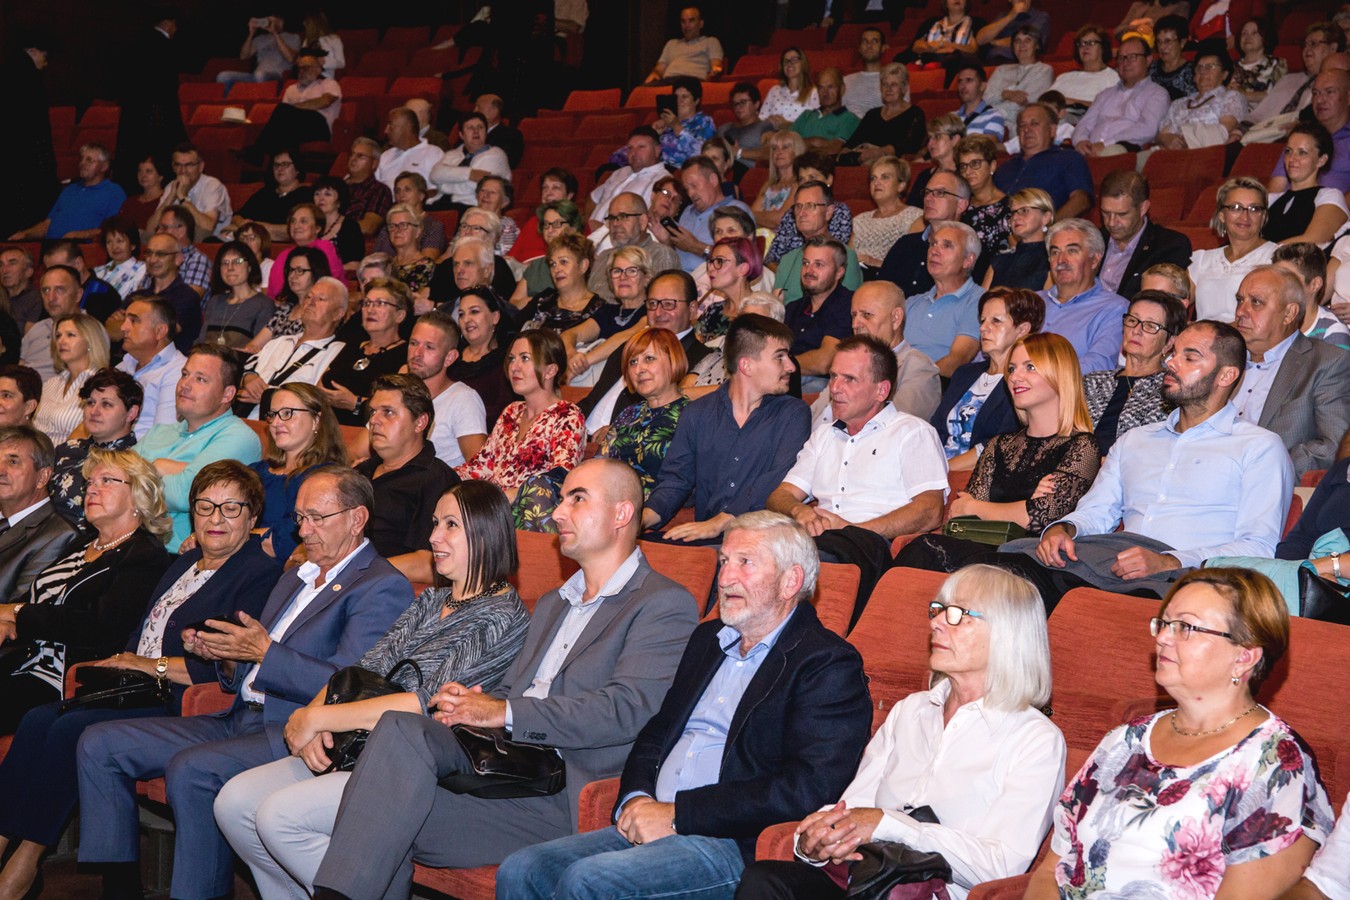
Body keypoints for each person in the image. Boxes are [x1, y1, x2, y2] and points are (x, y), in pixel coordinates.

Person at [75, 467, 412, 900]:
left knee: (192, 768)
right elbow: (249, 666)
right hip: (234, 714)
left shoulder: (380, 586)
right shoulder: (296, 576)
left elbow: (350, 683)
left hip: (292, 727)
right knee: (99, 742)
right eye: (298, 518)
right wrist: (225, 656)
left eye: (317, 518)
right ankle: (119, 891)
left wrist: (263, 653)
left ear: (357, 518)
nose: (304, 530)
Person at [500, 509, 872, 899]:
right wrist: (637, 799)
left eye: (745, 563)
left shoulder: (826, 663)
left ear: (790, 581)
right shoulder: (708, 640)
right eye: (724, 561)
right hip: (654, 822)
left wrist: (678, 816)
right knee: (525, 868)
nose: (725, 578)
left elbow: (804, 788)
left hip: (730, 842)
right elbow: (657, 731)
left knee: (589, 881)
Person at [216, 478, 531, 899]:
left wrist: (316, 717)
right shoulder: (431, 601)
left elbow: (425, 705)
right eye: (435, 523)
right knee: (234, 804)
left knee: (278, 817)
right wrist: (311, 719)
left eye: (451, 526)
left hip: (409, 766)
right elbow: (363, 670)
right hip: (357, 742)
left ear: (487, 532)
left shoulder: (500, 614)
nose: (434, 536)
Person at [0, 460, 279, 899]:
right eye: (205, 507)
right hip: (131, 684)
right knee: (39, 718)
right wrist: (125, 660)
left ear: (253, 517)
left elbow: (228, 665)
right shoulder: (183, 563)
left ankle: (27, 861)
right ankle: (3, 841)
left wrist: (152, 666)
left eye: (230, 508)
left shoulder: (257, 574)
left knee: (73, 729)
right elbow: (141, 631)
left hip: (181, 697)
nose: (215, 519)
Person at [736, 563, 1065, 900]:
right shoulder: (911, 710)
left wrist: (889, 824)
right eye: (937, 610)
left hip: (935, 893)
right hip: (866, 877)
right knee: (765, 881)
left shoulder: (1036, 740)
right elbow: (855, 806)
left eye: (956, 614)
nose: (936, 622)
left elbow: (1000, 866)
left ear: (1007, 634)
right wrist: (814, 839)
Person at [1023, 568, 1334, 899]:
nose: (1162, 638)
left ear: (1244, 657)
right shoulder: (1125, 740)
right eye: (1164, 623)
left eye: (1185, 627)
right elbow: (1051, 872)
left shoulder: (1277, 765)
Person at [991, 321, 1295, 608]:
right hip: (1115, 558)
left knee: (1140, 596)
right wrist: (1063, 529)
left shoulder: (1259, 447)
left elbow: (1259, 547)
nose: (1171, 363)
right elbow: (1097, 511)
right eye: (1173, 354)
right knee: (1009, 563)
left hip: (1189, 577)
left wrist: (1172, 560)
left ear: (1226, 376)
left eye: (1190, 358)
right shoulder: (1135, 440)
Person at [0, 448, 173, 734]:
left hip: (64, 678)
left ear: (139, 495)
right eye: (90, 482)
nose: (92, 489)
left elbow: (98, 625)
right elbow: (39, 598)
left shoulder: (144, 555)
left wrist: (17, 613)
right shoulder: (82, 544)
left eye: (107, 481)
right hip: (23, 659)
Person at [897, 334, 1101, 573]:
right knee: (921, 549)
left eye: (1030, 367)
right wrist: (1024, 505)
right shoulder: (1000, 445)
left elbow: (1040, 517)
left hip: (1027, 560)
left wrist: (980, 508)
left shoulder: (1083, 446)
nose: (1015, 377)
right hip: (977, 550)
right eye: (1012, 368)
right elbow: (961, 514)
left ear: (1060, 374)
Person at [768, 335, 946, 603]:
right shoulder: (824, 435)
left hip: (871, 547)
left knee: (779, 563)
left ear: (881, 391)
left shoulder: (911, 432)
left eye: (849, 379)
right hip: (818, 542)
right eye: (833, 376)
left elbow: (931, 511)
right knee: (742, 553)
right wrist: (800, 511)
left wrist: (854, 529)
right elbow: (779, 496)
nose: (835, 388)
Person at [643, 315, 810, 544]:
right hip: (708, 541)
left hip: (765, 541)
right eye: (780, 357)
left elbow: (777, 480)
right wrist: (641, 519)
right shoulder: (697, 413)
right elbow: (676, 481)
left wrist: (723, 520)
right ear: (746, 365)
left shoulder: (793, 414)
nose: (791, 366)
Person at [518, 329, 691, 531]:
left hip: (633, 505)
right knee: (536, 485)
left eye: (649, 359)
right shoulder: (629, 413)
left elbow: (680, 480)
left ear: (674, 362)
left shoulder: (690, 415)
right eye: (633, 362)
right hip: (600, 496)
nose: (639, 369)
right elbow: (599, 464)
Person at [136, 344, 264, 548]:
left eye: (200, 379)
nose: (185, 384)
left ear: (227, 394)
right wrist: (160, 467)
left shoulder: (238, 436)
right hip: (126, 541)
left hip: (173, 553)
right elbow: (112, 480)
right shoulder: (159, 432)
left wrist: (144, 469)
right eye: (185, 374)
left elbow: (185, 494)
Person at [1231, 265, 1350, 476]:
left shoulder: (1326, 362)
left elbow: (1334, 446)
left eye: (1256, 302)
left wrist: (1260, 467)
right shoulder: (1222, 355)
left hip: (1268, 484)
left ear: (1289, 314)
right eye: (1240, 300)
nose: (1241, 311)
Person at [456, 330, 584, 519]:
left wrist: (514, 493)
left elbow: (561, 475)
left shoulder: (567, 415)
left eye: (524, 358)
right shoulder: (511, 411)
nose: (514, 367)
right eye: (511, 359)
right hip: (493, 508)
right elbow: (481, 466)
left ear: (550, 370)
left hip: (531, 511)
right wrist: (440, 476)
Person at [577, 269, 711, 436]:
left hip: (624, 445)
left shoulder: (704, 359)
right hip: (579, 435)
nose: (659, 312)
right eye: (652, 304)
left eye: (668, 304)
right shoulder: (628, 347)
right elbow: (593, 399)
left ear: (692, 309)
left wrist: (620, 430)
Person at [934, 287, 1045, 463]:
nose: (984, 328)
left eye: (996, 321)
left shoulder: (1023, 382)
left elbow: (1000, 445)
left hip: (976, 477)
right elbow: (936, 429)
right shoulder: (965, 373)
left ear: (1022, 330)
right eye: (983, 320)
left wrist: (942, 471)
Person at [1083, 291, 1188, 455]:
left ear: (1169, 343)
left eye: (1150, 326)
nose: (1137, 330)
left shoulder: (1171, 390)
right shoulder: (1092, 381)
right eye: (1132, 321)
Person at [240, 278, 347, 418]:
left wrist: (268, 397)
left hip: (283, 426)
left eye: (321, 299)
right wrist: (249, 378)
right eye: (309, 296)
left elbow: (317, 399)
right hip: (241, 418)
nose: (311, 302)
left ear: (337, 314)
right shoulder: (280, 341)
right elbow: (248, 365)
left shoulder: (339, 353)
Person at [49, 368, 141, 531]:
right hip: (42, 535)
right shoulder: (67, 449)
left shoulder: (135, 461)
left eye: (106, 404)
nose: (94, 411)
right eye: (90, 403)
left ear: (131, 413)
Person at [1038, 218, 1130, 373]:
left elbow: (1099, 365)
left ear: (1094, 259)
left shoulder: (1115, 309)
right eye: (1055, 252)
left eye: (1072, 251)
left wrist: (1040, 378)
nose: (1061, 260)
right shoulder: (1032, 301)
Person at [0, 427, 77, 605]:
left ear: (42, 477)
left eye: (13, 462)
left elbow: (17, 611)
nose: (1, 470)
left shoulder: (58, 536)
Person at [317, 277, 409, 427]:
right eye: (367, 303)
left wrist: (355, 403)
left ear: (400, 315)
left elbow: (398, 408)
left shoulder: (405, 354)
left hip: (368, 435)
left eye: (380, 303)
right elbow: (320, 385)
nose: (370, 310)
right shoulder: (352, 345)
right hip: (326, 429)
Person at [846, 281, 942, 420]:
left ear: (896, 318)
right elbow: (817, 413)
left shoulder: (919, 369)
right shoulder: (846, 362)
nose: (855, 324)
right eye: (854, 315)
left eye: (866, 315)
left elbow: (895, 428)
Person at [1190, 176, 1279, 321]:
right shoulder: (1201, 259)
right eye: (1235, 208)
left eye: (1254, 209)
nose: (1245, 216)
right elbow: (1175, 305)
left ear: (1263, 217)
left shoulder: (1276, 257)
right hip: (1200, 340)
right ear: (1222, 215)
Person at [406, 311, 488, 468]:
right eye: (413, 343)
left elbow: (479, 469)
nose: (417, 353)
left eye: (429, 347)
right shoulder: (397, 392)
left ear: (450, 357)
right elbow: (358, 449)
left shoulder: (463, 399)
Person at [1097, 169, 1194, 300]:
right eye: (1105, 213)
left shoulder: (1169, 245)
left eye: (1122, 214)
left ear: (1143, 208)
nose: (1112, 222)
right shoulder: (1093, 238)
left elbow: (1162, 303)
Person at [565, 246, 656, 383]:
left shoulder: (652, 311)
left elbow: (628, 337)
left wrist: (585, 361)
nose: (623, 277)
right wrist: (572, 355)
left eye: (631, 271)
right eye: (617, 271)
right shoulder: (607, 311)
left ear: (647, 278)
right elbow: (569, 335)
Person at [905, 220, 983, 377]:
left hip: (937, 386)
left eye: (946, 245)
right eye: (933, 244)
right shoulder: (911, 302)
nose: (934, 251)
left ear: (968, 260)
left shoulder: (979, 300)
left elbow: (958, 360)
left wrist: (916, 379)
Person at [1071, 33, 1170, 155]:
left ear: (1148, 60)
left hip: (1124, 152)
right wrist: (1081, 141)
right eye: (1121, 58)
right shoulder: (1104, 94)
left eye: (1132, 57)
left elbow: (1147, 129)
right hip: (1090, 150)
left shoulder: (1157, 93)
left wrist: (1106, 144)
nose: (1125, 62)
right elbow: (1084, 124)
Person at [8, 142, 126, 242]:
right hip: (52, 247)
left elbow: (113, 230)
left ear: (104, 166)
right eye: (81, 159)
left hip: (83, 249)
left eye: (89, 160)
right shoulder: (69, 190)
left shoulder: (114, 192)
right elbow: (47, 224)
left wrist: (80, 235)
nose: (82, 163)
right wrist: (26, 234)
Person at [995, 103, 1094, 220]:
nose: (1027, 129)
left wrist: (1049, 228)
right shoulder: (1005, 167)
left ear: (1052, 130)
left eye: (1034, 124)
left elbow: (1081, 200)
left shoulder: (1069, 159)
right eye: (1022, 125)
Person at [586, 193, 681, 303]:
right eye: (612, 218)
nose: (615, 224)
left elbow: (661, 306)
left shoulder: (661, 255)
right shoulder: (604, 256)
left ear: (642, 221)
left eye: (623, 217)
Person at [1265, 123, 1350, 246]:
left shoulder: (1329, 197)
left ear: (1321, 160)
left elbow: (1312, 240)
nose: (1292, 159)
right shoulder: (1272, 199)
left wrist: (1259, 254)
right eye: (1288, 151)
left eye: (1302, 152)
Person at [113, 297, 185, 438]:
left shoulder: (178, 371)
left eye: (133, 321)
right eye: (125, 320)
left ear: (160, 331)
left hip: (140, 456)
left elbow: (162, 437)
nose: (123, 328)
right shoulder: (122, 366)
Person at [34, 313, 109, 446]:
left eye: (70, 335)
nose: (61, 341)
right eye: (58, 336)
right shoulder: (50, 384)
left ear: (89, 341)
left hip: (69, 460)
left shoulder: (101, 384)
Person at [448, 286, 513, 428]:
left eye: (474, 312)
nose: (466, 319)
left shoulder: (508, 360)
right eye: (461, 314)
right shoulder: (451, 357)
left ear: (495, 317)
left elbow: (505, 412)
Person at [843, 64, 926, 165]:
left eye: (894, 84)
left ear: (904, 88)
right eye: (885, 84)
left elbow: (910, 145)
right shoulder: (872, 114)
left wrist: (878, 152)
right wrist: (845, 151)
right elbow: (854, 141)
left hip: (894, 164)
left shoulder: (915, 113)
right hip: (863, 161)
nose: (888, 89)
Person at [134, 233, 203, 354]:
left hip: (170, 366)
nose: (153, 260)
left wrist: (131, 323)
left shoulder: (187, 296)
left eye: (161, 254)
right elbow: (112, 330)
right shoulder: (138, 295)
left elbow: (163, 333)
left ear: (178, 259)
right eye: (149, 253)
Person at [428, 112, 512, 212]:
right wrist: (469, 174)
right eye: (470, 128)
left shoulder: (496, 156)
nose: (476, 132)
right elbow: (434, 175)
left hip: (472, 208)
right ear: (461, 135)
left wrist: (443, 184)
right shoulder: (452, 154)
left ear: (486, 132)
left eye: (480, 127)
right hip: (441, 203)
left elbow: (473, 188)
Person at [228, 150, 316, 244]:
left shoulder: (308, 194)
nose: (280, 169)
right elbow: (237, 216)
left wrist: (265, 228)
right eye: (276, 165)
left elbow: (306, 228)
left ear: (297, 169)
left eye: (285, 164)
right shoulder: (265, 193)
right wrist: (243, 223)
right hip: (252, 241)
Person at [850, 156, 922, 269]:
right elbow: (849, 261)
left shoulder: (915, 217)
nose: (876, 182)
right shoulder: (860, 220)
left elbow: (913, 264)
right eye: (873, 178)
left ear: (901, 186)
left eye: (885, 177)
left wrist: (876, 263)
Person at [1275, 241, 1350, 349]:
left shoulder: (1333, 334)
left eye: (1290, 279)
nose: (1278, 286)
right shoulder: (1267, 319)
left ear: (1315, 284)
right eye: (1275, 279)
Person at [200, 243, 275, 350]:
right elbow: (201, 341)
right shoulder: (215, 301)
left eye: (238, 262)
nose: (230, 268)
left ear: (249, 267)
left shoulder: (264, 305)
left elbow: (260, 351)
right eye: (225, 263)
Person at [588, 129, 668, 228]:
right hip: (589, 236)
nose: (634, 152)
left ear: (657, 150)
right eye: (630, 148)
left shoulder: (664, 181)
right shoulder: (619, 172)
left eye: (641, 147)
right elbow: (593, 198)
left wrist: (601, 231)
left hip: (619, 240)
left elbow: (652, 223)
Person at [151, 144, 233, 241]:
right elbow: (150, 229)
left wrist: (183, 197)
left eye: (189, 165)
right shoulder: (171, 186)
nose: (182, 171)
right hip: (175, 241)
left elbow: (208, 227)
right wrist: (171, 197)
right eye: (178, 165)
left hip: (209, 242)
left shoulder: (213, 186)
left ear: (201, 166)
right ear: (173, 166)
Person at [983, 188, 1054, 290]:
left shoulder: (1052, 260)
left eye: (1024, 211)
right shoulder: (999, 261)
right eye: (1013, 213)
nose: (1015, 217)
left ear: (1046, 217)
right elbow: (983, 304)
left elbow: (1049, 304)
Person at [22, 266, 83, 383]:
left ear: (78, 295)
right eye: (46, 290)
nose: (51, 298)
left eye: (59, 289)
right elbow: (21, 365)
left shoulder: (91, 330)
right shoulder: (38, 328)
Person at [985, 25, 1054, 126]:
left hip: (1019, 124)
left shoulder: (1044, 70)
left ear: (1037, 46)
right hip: (991, 119)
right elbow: (986, 98)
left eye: (1027, 40)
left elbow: (1028, 103)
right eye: (1017, 41)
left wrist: (996, 109)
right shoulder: (1001, 70)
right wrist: (1006, 94)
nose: (1022, 45)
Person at [372, 173, 448, 263]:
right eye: (397, 191)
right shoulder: (388, 227)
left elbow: (427, 263)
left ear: (421, 196)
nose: (401, 195)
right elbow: (374, 259)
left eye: (407, 190)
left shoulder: (433, 226)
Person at [1048, 24, 1121, 115]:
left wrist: (1073, 102)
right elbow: (1045, 101)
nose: (1085, 47)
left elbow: (1112, 108)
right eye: (1082, 43)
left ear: (1103, 47)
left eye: (1092, 43)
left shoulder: (1112, 77)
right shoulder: (1064, 77)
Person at [375, 108, 446, 202]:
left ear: (407, 127)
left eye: (391, 126)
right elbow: (375, 189)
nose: (386, 131)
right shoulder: (386, 155)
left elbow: (438, 191)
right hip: (385, 210)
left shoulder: (433, 153)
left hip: (416, 211)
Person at [956, 134, 1009, 256]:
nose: (968, 172)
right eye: (963, 166)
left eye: (975, 163)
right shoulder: (960, 205)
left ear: (992, 166)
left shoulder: (1009, 207)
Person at [216, 13, 300, 89]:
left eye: (279, 20)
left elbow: (290, 58)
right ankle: (231, 103)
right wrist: (251, 34)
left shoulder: (293, 37)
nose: (276, 23)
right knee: (223, 76)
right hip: (255, 76)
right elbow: (243, 56)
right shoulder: (260, 38)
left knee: (260, 75)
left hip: (277, 77)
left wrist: (275, 33)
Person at [790, 68, 859, 155]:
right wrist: (814, 141)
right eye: (821, 88)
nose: (825, 93)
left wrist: (800, 144)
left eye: (830, 87)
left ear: (842, 89)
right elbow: (786, 143)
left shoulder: (850, 119)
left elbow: (834, 149)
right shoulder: (806, 115)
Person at [645, 6, 725, 82]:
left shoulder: (711, 42)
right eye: (683, 21)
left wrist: (714, 72)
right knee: (641, 90)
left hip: (692, 82)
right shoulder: (671, 44)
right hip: (668, 82)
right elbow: (659, 69)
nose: (686, 26)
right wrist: (654, 74)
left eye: (691, 21)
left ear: (701, 24)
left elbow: (716, 65)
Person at [653, 77, 716, 169]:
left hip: (684, 173)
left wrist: (678, 128)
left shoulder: (704, 122)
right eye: (676, 97)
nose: (679, 101)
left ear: (696, 100)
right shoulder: (666, 123)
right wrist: (654, 135)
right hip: (657, 171)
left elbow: (703, 155)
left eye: (684, 96)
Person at [751, 130, 805, 232]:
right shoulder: (768, 185)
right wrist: (768, 219)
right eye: (774, 148)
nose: (778, 152)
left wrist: (759, 217)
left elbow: (781, 219)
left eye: (785, 147)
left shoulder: (798, 184)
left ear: (796, 151)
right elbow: (749, 218)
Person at [719, 82, 776, 173]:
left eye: (743, 102)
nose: (739, 107)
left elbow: (771, 152)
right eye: (735, 104)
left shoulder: (765, 126)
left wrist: (738, 152)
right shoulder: (725, 128)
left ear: (756, 104)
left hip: (744, 170)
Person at [311, 176, 364, 271]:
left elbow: (355, 264)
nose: (321, 198)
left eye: (327, 194)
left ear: (339, 201)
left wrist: (328, 271)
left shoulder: (350, 227)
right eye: (317, 194)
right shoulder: (309, 225)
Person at [343, 137, 392, 238]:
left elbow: (369, 227)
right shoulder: (337, 186)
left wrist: (334, 230)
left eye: (360, 156)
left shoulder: (379, 190)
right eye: (352, 154)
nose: (353, 159)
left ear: (374, 163)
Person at [976, 0, 1052, 64]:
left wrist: (994, 42)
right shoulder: (1003, 16)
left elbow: (1026, 41)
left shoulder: (1041, 17)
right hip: (995, 61)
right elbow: (980, 40)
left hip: (1020, 61)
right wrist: (1011, 16)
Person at [1232, 17, 1287, 105]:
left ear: (1265, 37)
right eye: (1244, 33)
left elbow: (1280, 95)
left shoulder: (1277, 64)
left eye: (1254, 33)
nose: (1248, 37)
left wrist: (1245, 95)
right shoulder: (1230, 67)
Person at [761, 47, 819, 129]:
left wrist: (786, 125)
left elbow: (815, 125)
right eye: (786, 61)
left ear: (803, 63)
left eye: (794, 60)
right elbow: (762, 118)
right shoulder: (774, 90)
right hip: (772, 135)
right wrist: (769, 121)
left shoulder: (813, 92)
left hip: (797, 138)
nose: (789, 64)